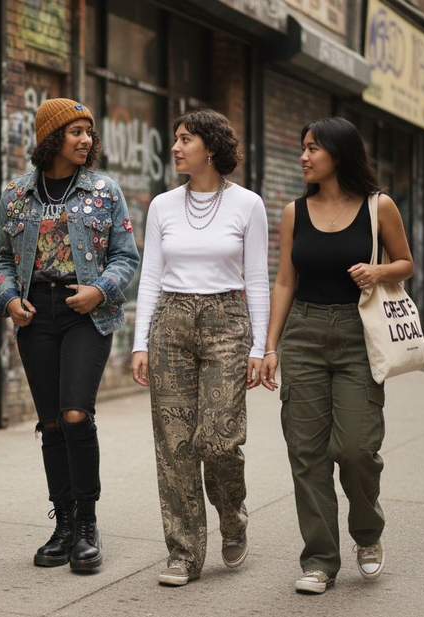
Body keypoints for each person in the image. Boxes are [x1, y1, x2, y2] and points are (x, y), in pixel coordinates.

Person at [259, 117, 414, 594]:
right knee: (306, 453)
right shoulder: (293, 212)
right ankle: (320, 560)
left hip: (357, 333)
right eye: (303, 148)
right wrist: (270, 347)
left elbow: (406, 263)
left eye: (313, 149)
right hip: (304, 332)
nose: (304, 157)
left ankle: (367, 535)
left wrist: (378, 270)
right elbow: (285, 279)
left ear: (339, 154)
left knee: (355, 449)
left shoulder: (378, 207)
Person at [0, 98, 139, 573]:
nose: (86, 140)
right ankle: (64, 524)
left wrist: (100, 290)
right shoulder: (16, 193)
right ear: (51, 137)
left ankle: (89, 525)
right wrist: (10, 299)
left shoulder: (104, 191)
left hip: (85, 314)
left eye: (89, 132)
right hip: (36, 315)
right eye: (75, 131)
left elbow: (126, 257)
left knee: (76, 414)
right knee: (51, 423)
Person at [130, 108, 269, 586]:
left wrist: (258, 347)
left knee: (219, 438)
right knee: (174, 445)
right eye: (175, 138)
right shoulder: (164, 206)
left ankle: (232, 513)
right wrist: (139, 341)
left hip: (227, 321)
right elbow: (150, 276)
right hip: (170, 322)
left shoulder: (248, 204)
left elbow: (257, 279)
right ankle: (184, 552)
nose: (175, 146)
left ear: (210, 147)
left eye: (184, 138)